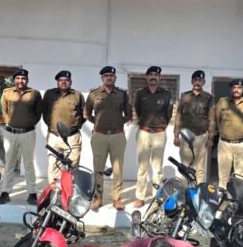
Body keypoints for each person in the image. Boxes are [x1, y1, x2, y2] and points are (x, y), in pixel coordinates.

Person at [84, 66, 132, 210]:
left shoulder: (122, 94)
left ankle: (116, 198)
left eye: (111, 75)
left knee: (117, 169)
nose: (109, 78)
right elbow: (87, 114)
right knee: (98, 168)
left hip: (118, 136)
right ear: (102, 78)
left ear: (115, 78)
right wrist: (98, 123)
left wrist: (117, 124)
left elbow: (128, 115)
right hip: (99, 136)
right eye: (106, 76)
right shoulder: (94, 94)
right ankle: (98, 197)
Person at [0, 67, 42, 205]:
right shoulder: (7, 93)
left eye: (23, 78)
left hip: (28, 133)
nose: (20, 81)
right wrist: (9, 122)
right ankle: (5, 192)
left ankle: (32, 193)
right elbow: (4, 110)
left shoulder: (34, 94)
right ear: (14, 80)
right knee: (9, 163)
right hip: (10, 134)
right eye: (18, 78)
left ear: (27, 80)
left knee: (29, 164)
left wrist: (29, 123)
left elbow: (38, 113)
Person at [133, 65, 174, 208]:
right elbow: (138, 110)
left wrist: (160, 125)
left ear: (159, 77)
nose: (153, 77)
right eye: (150, 75)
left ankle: (157, 197)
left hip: (159, 133)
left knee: (157, 168)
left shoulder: (166, 94)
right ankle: (140, 197)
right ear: (147, 77)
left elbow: (168, 113)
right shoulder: (140, 93)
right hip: (143, 132)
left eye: (156, 75)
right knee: (142, 167)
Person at [43, 70, 85, 184]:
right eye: (61, 80)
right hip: (54, 136)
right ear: (57, 82)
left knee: (72, 166)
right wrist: (52, 126)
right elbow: (45, 113)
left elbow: (83, 114)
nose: (63, 82)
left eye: (66, 80)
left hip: (72, 137)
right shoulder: (49, 94)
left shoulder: (77, 95)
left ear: (71, 82)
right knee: (54, 166)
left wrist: (74, 126)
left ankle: (69, 192)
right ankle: (55, 191)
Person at [174, 70, 215, 183]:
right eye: (195, 80)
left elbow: (211, 118)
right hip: (186, 136)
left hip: (201, 137)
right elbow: (178, 116)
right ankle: (185, 190)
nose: (198, 82)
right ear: (192, 81)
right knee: (185, 166)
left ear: (204, 82)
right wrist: (176, 136)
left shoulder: (209, 98)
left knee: (199, 167)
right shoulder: (184, 97)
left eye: (200, 80)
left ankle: (199, 190)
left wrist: (211, 138)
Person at [215, 78, 243, 189]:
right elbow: (217, 119)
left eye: (239, 88)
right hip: (225, 143)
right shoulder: (223, 102)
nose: (236, 90)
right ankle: (222, 192)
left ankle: (238, 195)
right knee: (223, 173)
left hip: (242, 144)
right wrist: (222, 131)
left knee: (240, 174)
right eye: (234, 87)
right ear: (230, 89)